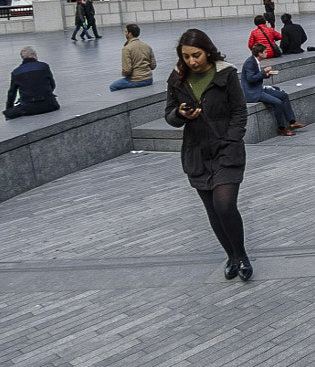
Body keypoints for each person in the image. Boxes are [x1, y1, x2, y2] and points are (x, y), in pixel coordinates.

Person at [166, 29, 253, 281]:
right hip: (196, 153)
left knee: (224, 204)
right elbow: (169, 115)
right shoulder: (177, 78)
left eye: (196, 55)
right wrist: (181, 115)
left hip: (226, 150)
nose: (192, 61)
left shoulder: (226, 73)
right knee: (212, 210)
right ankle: (231, 257)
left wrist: (232, 139)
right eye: (186, 57)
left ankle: (242, 255)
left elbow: (239, 111)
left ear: (208, 51)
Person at [242, 41, 304, 137]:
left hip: (259, 89)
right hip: (253, 92)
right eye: (265, 52)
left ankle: (292, 121)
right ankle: (282, 127)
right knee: (278, 102)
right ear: (260, 53)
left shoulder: (255, 61)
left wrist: (266, 75)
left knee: (283, 95)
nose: (267, 53)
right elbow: (250, 78)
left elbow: (256, 77)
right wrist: (263, 72)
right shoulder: (250, 62)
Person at [3, 45, 61, 119]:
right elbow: (52, 85)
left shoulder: (16, 72)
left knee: (9, 113)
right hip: (50, 105)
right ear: (32, 55)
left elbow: (12, 93)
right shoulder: (44, 66)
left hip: (29, 108)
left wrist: (9, 108)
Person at [113, 23, 156, 90]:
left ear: (130, 34)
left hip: (137, 80)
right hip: (149, 78)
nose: (125, 34)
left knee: (113, 86)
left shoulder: (127, 49)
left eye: (126, 32)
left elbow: (127, 70)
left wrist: (125, 74)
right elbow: (153, 66)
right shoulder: (147, 46)